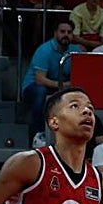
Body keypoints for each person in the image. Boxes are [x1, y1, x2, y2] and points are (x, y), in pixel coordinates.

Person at [20, 20, 84, 148]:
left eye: (69, 32)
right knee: (41, 91)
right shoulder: (44, 50)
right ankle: (38, 134)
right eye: (62, 32)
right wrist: (64, 85)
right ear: (55, 33)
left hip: (59, 87)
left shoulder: (75, 51)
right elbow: (40, 79)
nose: (66, 35)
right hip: (33, 87)